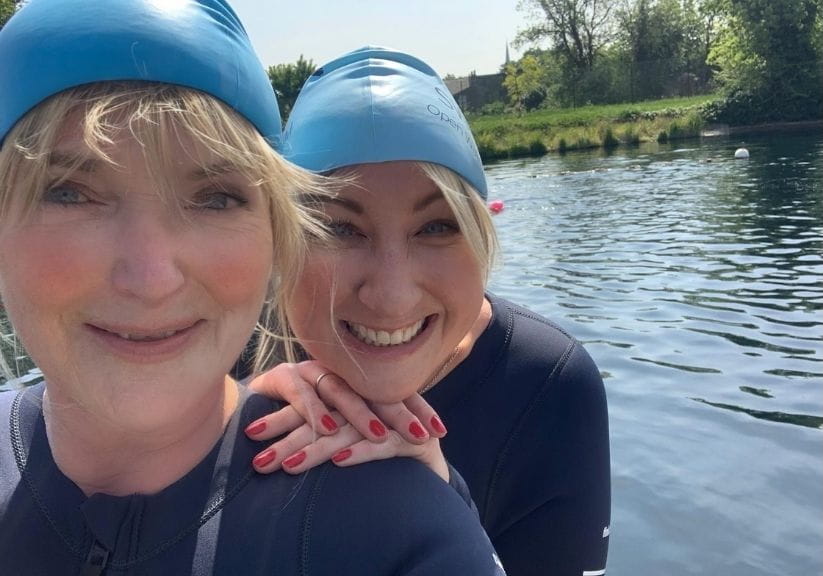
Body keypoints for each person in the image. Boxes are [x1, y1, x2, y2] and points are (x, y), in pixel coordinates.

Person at [0, 4, 506, 575]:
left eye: (215, 197)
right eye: (70, 192)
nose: (151, 279)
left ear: (275, 238)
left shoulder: (403, 537)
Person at [243, 47, 611, 576]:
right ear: (282, 242)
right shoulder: (230, 354)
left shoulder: (548, 384)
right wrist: (225, 441)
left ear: (480, 233)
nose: (392, 297)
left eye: (436, 227)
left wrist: (439, 509)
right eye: (339, 228)